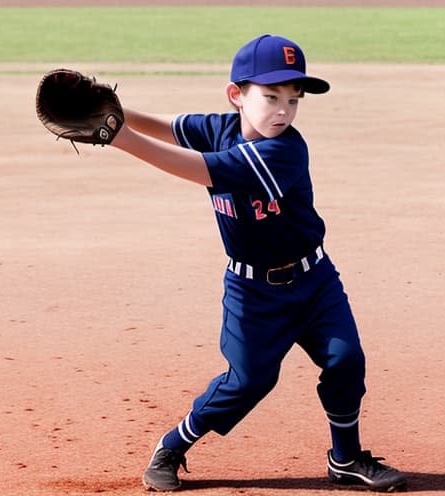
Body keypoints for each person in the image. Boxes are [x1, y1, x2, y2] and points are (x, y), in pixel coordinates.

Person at [111, 34, 407, 493]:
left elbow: (202, 170)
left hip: (315, 282)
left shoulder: (285, 150)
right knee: (248, 383)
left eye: (293, 99)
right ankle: (172, 445)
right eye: (270, 96)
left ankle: (345, 459)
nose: (283, 110)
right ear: (237, 95)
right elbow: (170, 128)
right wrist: (117, 112)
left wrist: (118, 137)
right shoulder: (218, 129)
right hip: (253, 293)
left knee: (346, 360)